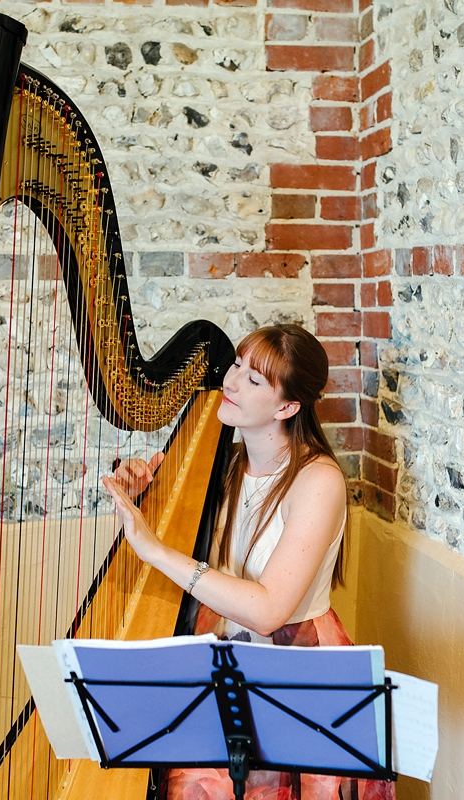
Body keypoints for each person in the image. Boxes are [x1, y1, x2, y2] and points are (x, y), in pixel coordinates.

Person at [102, 324, 394, 800]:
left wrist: (156, 548)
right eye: (236, 365)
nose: (231, 382)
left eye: (253, 380)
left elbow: (266, 611)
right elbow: (170, 564)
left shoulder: (317, 481)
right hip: (219, 660)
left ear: (287, 407)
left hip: (293, 669)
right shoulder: (223, 467)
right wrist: (140, 501)